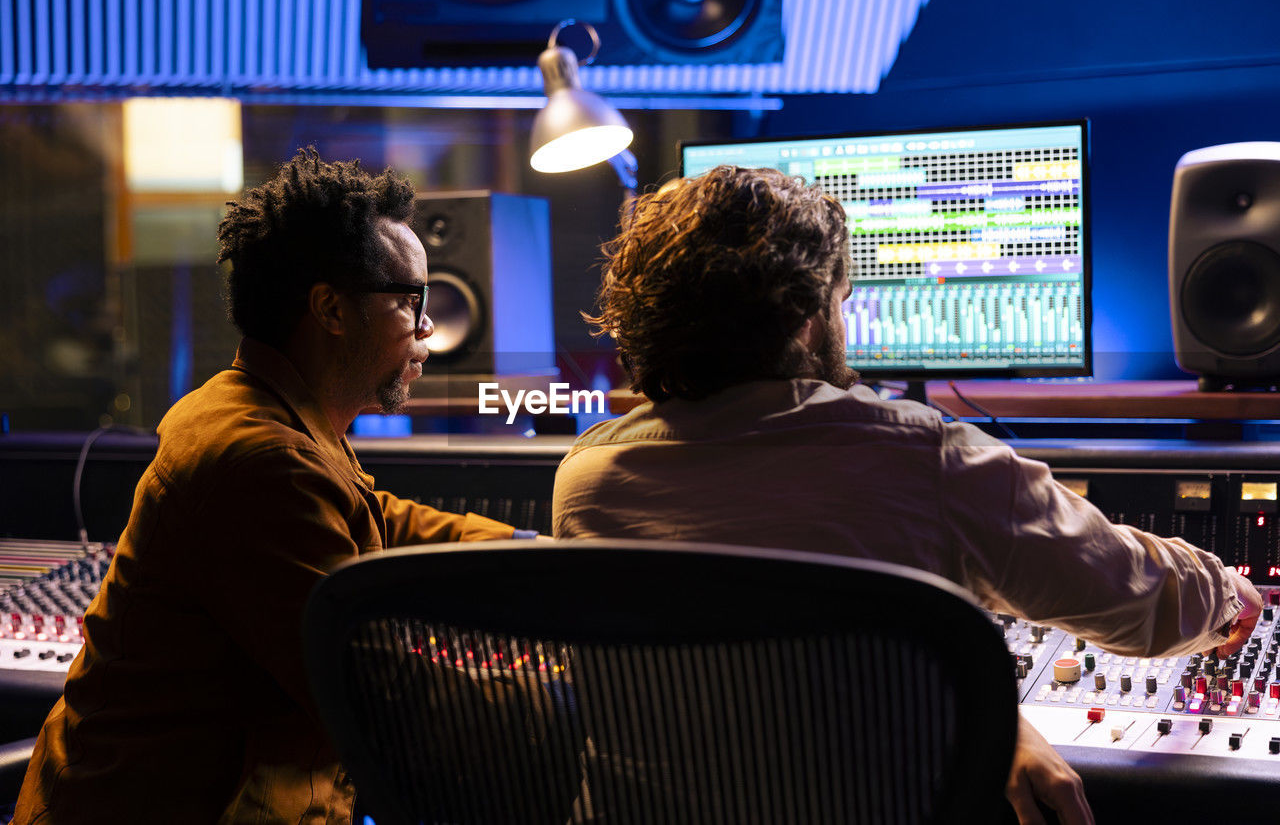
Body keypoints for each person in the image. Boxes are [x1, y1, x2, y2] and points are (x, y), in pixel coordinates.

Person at [552, 165, 1263, 825]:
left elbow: (746, 698)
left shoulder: (584, 478)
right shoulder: (926, 461)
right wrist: (1228, 592)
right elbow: (1142, 599)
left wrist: (998, 712)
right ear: (805, 318)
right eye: (840, 300)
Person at [14, 149, 534, 824]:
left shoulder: (267, 411)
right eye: (411, 300)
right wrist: (574, 691)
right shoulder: (257, 458)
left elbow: (383, 518)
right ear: (331, 309)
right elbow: (382, 701)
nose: (427, 325)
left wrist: (535, 549)